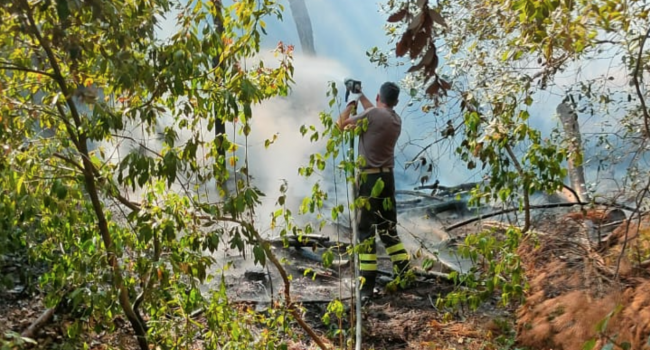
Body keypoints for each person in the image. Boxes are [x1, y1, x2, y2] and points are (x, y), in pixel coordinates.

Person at [337, 81, 411, 299]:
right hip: (387, 177)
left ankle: (366, 286)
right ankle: (404, 273)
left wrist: (351, 101)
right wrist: (361, 95)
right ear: (395, 102)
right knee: (388, 229)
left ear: (379, 97)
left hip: (369, 179)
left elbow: (341, 125)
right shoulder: (394, 118)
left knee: (365, 232)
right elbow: (375, 111)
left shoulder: (372, 116)